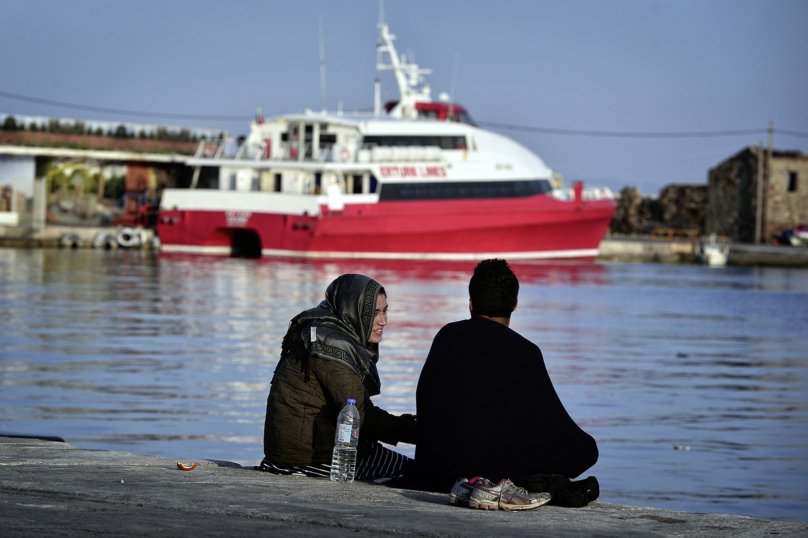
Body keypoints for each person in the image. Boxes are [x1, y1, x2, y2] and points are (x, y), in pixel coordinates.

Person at [413, 259, 598, 492]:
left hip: (433, 472)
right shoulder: (525, 352)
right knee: (587, 449)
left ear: (471, 304)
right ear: (515, 305)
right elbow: (559, 427)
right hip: (486, 475)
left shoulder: (446, 336)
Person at [260, 274, 416, 479]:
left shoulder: (327, 335)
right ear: (353, 311)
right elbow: (363, 415)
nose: (383, 321)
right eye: (374, 312)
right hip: (309, 462)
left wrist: (401, 426)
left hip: (302, 453)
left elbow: (351, 409)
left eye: (385, 311)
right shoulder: (329, 346)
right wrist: (425, 433)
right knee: (422, 474)